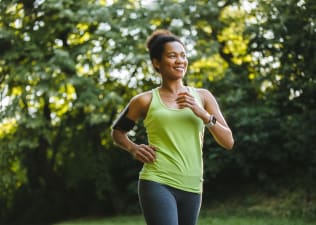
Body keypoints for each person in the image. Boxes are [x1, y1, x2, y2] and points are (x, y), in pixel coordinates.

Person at [111, 29, 234, 225]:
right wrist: (133, 148)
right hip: (157, 180)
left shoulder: (203, 97)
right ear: (156, 62)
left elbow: (228, 141)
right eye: (172, 55)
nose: (180, 60)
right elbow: (118, 132)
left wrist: (202, 113)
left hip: (193, 185)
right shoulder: (144, 100)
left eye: (183, 55)